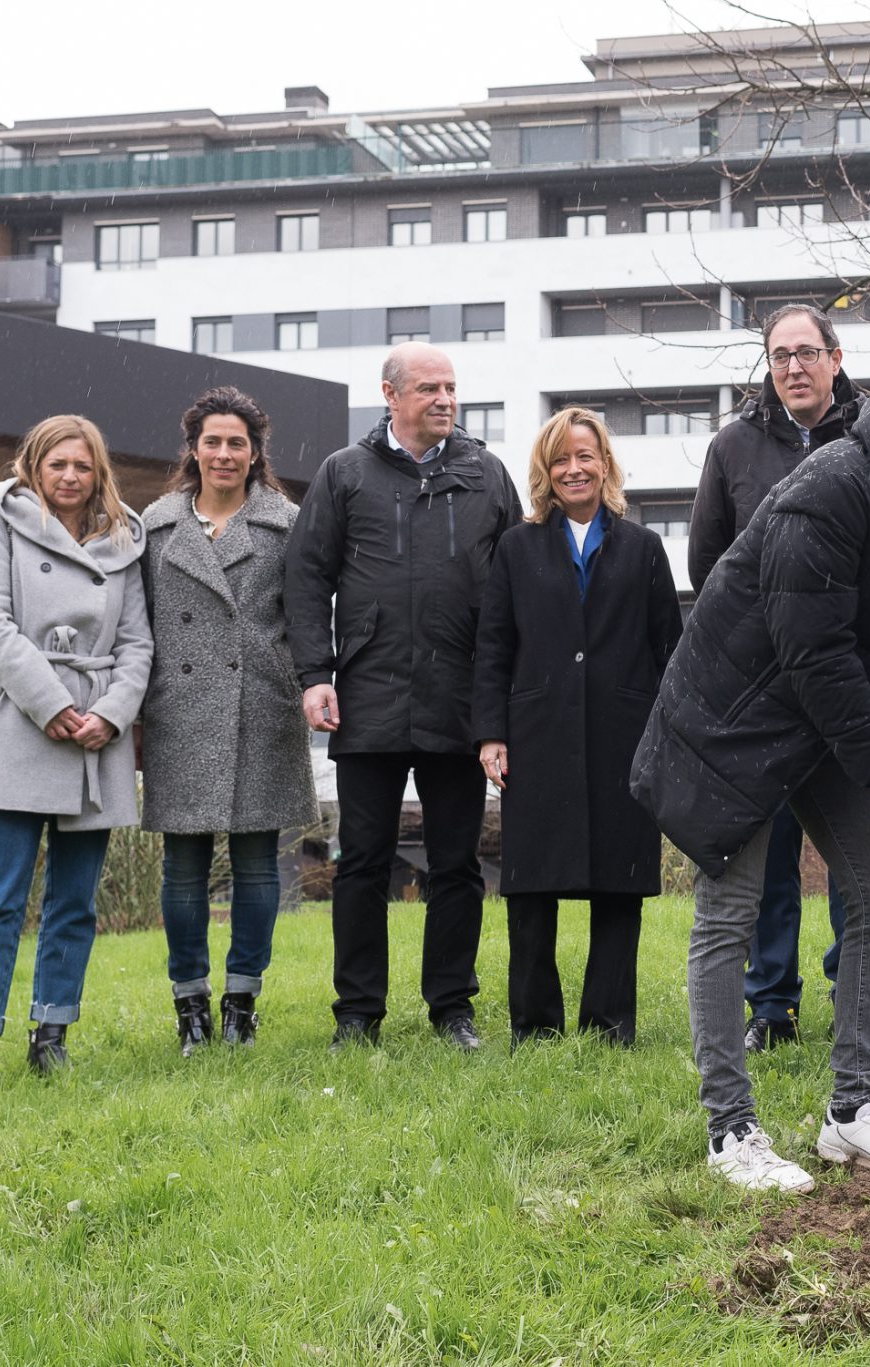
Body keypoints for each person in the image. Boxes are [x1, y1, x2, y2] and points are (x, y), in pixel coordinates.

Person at [633, 352, 870, 1193]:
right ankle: (730, 1130)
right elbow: (812, 648)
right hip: (734, 713)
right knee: (731, 907)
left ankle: (852, 1112)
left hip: (831, 719)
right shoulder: (840, 482)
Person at [285, 343, 525, 1052]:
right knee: (360, 864)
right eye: (429, 388)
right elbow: (306, 577)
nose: (445, 398)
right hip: (367, 699)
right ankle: (357, 1014)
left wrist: (505, 698)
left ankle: (453, 1009)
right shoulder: (344, 473)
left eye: (451, 387)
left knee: (457, 864)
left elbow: (515, 587)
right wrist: (315, 673)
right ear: (391, 395)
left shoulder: (486, 474)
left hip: (461, 703)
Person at [0, 415, 153, 1095]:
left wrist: (111, 713)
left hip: (98, 738)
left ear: (100, 471)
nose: (70, 476)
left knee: (75, 902)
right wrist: (53, 704)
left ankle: (52, 1038)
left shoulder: (125, 540)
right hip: (18, 724)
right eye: (57, 463)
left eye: (84, 465)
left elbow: (137, 644)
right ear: (32, 464)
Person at [473, 409, 682, 1047]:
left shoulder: (644, 548)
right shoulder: (517, 546)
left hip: (626, 736)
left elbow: (669, 648)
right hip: (536, 736)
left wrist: (668, 737)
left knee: (619, 886)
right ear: (545, 470)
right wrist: (490, 733)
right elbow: (493, 646)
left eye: (585, 456)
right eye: (561, 459)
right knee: (531, 888)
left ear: (604, 465)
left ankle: (608, 1026)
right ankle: (535, 1026)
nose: (574, 469)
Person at [689, 303, 863, 1053]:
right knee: (770, 860)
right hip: (763, 688)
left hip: (852, 680)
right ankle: (773, 1006)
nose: (793, 366)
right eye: (780, 354)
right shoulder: (733, 447)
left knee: (862, 857)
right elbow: (706, 564)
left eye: (807, 352)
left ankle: (852, 989)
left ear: (835, 355)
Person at [139, 388, 318, 1055]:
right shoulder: (155, 526)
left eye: (235, 442)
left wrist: (310, 684)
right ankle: (191, 1007)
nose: (222, 453)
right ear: (193, 448)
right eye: (211, 441)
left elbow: (305, 614)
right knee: (182, 867)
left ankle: (242, 1002)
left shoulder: (288, 523)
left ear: (254, 451)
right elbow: (143, 624)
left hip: (261, 704)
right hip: (177, 708)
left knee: (257, 865)